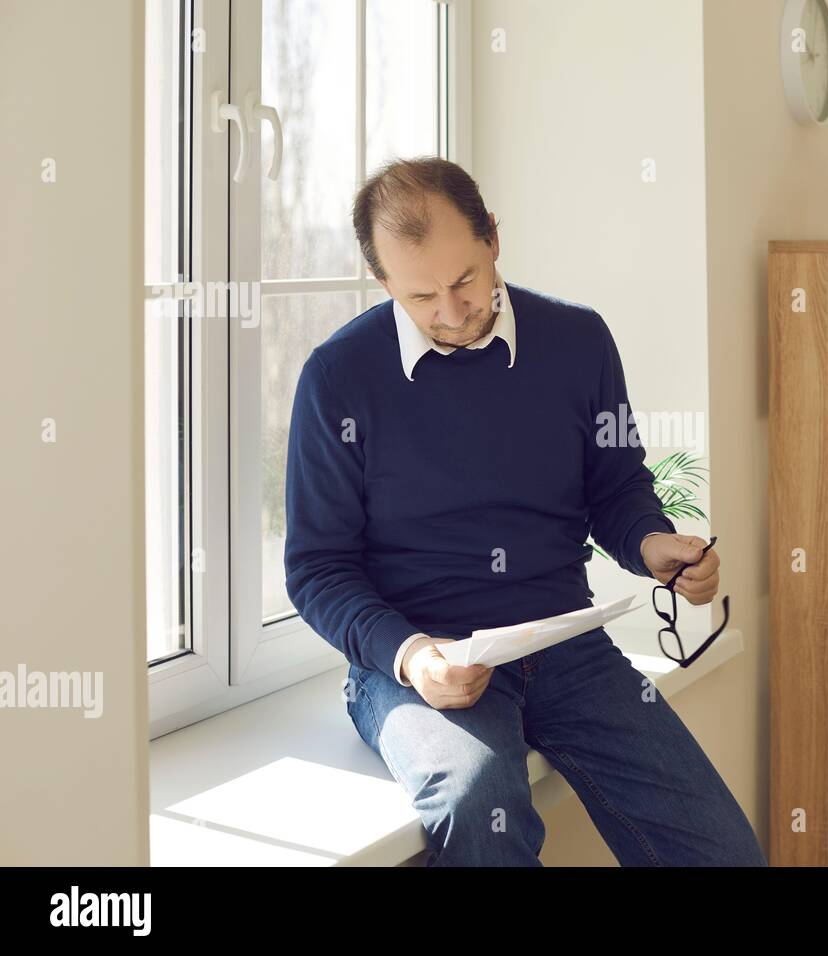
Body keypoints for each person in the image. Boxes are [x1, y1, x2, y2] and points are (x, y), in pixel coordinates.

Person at [284, 156, 766, 867]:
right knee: (478, 806)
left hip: (568, 646)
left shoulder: (577, 341)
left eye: (464, 281)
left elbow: (615, 488)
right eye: (421, 296)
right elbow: (318, 569)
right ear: (383, 283)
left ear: (494, 241)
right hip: (422, 658)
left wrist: (654, 544)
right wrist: (414, 658)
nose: (450, 313)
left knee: (722, 852)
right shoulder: (338, 377)